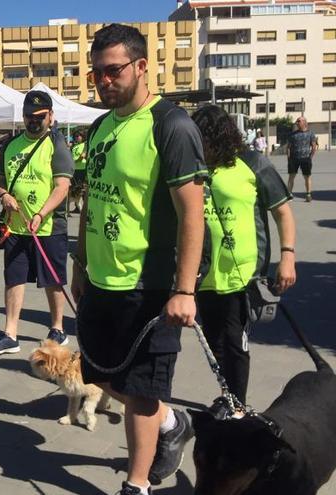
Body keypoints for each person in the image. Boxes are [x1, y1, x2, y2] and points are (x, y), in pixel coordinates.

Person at [70, 24, 208, 494]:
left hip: (149, 285)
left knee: (143, 392)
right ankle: (173, 423)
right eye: (97, 74)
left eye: (114, 70)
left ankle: (137, 483)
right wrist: (80, 264)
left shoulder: (171, 124)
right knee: (102, 375)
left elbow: (193, 212)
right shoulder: (100, 126)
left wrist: (184, 289)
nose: (104, 81)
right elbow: (92, 199)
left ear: (142, 66)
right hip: (102, 280)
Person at [191, 105, 296, 404]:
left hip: (243, 274)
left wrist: (287, 256)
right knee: (214, 344)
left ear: (220, 138)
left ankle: (238, 404)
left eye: (204, 140)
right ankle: (227, 396)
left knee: (236, 344)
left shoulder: (252, 163)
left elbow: (283, 213)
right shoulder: (194, 168)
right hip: (205, 275)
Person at [0, 91, 74, 355]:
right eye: (28, 117)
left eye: (39, 117)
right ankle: (10, 334)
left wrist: (41, 213)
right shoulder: (11, 145)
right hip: (15, 226)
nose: (34, 121)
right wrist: (5, 196)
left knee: (52, 280)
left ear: (50, 116)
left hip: (48, 227)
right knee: (13, 278)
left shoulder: (57, 144)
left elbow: (62, 187)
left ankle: (58, 328)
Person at [285, 116, 318, 202]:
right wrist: (289, 158)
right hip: (293, 158)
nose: (297, 123)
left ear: (304, 122)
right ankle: (289, 194)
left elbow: (314, 146)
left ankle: (308, 194)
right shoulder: (292, 134)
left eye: (298, 121)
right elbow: (288, 147)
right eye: (296, 121)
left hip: (305, 159)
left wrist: (310, 157)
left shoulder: (310, 133)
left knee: (307, 176)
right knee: (291, 176)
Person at [69, 129, 88, 214]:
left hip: (82, 169)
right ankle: (77, 207)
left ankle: (86, 209)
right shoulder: (74, 146)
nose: (77, 138)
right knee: (75, 189)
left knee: (82, 189)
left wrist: (75, 161)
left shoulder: (85, 145)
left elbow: (82, 156)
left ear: (82, 136)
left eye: (78, 136)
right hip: (75, 170)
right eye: (75, 136)